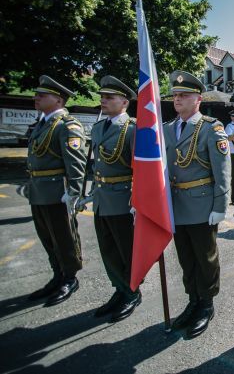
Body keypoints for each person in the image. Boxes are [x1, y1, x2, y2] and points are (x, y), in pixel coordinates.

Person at [163, 70, 231, 339]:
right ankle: (193, 300)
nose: (177, 99)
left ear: (198, 99)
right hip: (177, 206)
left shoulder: (211, 128)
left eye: (184, 95)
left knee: (205, 258)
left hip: (202, 206)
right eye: (176, 95)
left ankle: (206, 304)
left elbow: (222, 171)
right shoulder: (168, 128)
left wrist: (220, 206)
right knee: (186, 258)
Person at [26, 75, 86, 306]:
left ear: (59, 100)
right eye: (37, 94)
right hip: (39, 191)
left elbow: (76, 163)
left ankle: (69, 278)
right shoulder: (43, 123)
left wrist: (74, 192)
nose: (37, 97)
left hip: (57, 191)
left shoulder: (66, 126)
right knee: (48, 237)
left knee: (64, 237)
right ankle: (57, 274)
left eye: (43, 95)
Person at [90, 76, 141, 321]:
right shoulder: (99, 127)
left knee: (126, 251)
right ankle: (119, 289)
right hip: (101, 198)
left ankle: (131, 292)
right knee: (108, 250)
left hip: (123, 201)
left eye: (109, 97)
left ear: (124, 102)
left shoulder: (133, 129)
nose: (103, 101)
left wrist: (139, 201)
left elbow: (142, 170)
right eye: (102, 96)